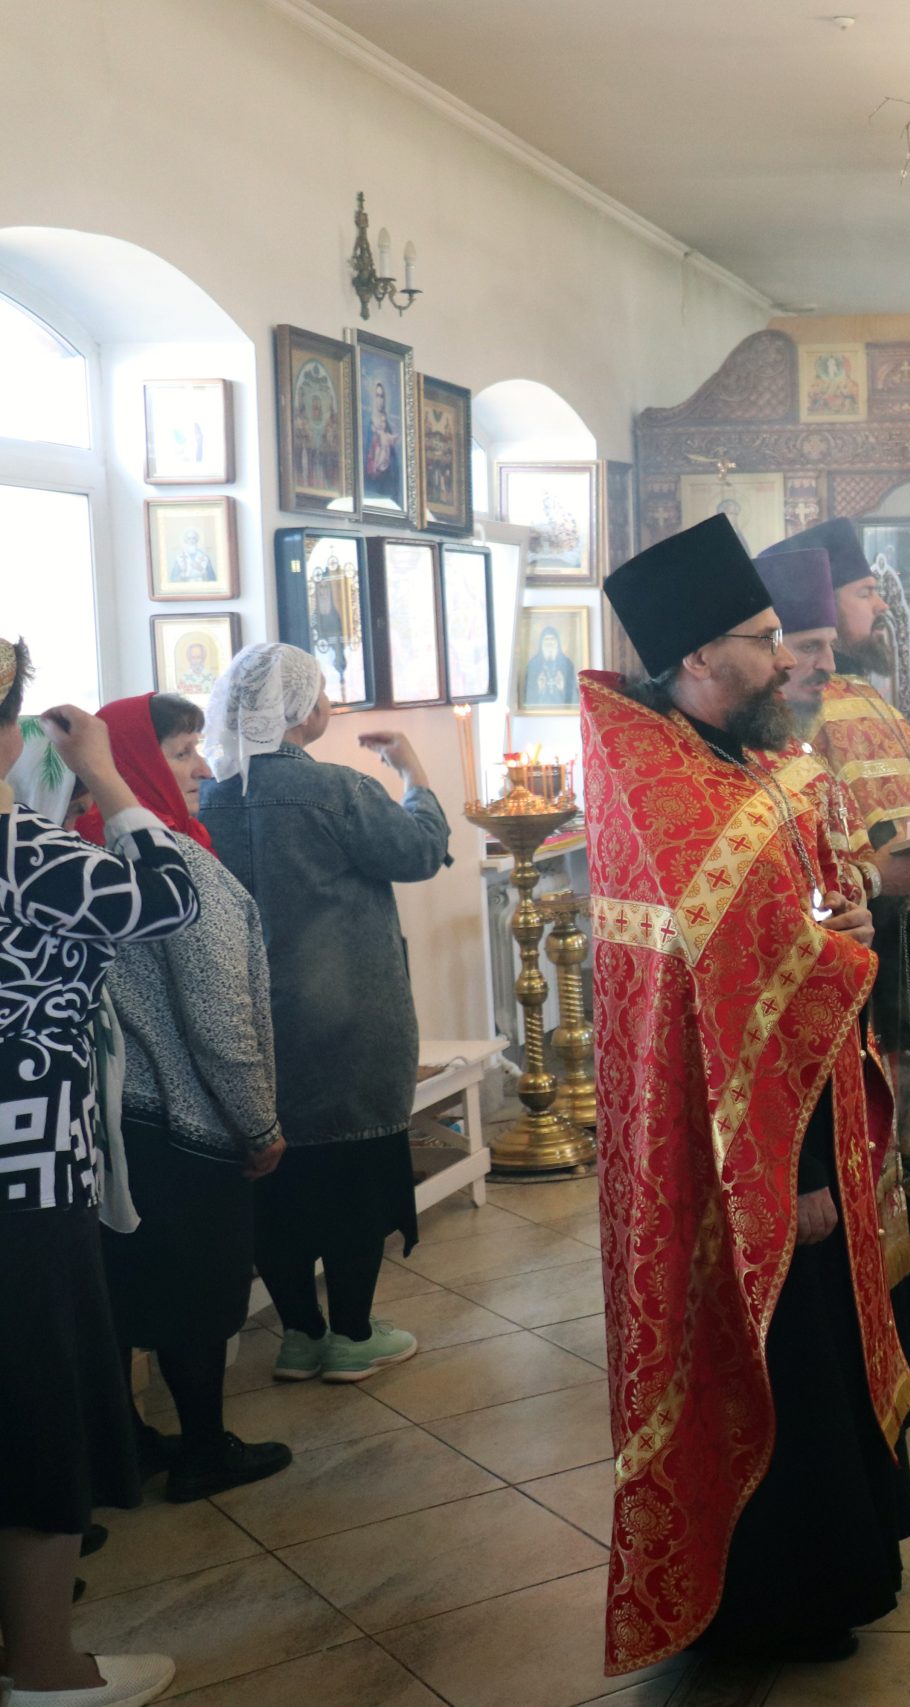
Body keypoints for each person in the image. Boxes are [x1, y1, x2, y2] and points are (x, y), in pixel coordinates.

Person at [585, 519, 910, 1672]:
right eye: (763, 639)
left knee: (819, 1344)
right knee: (771, 1358)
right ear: (695, 657)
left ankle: (847, 1562)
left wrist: (850, 915)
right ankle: (779, 1600)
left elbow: (793, 939)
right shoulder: (665, 792)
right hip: (741, 1154)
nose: (785, 659)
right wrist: (803, 1171)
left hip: (796, 1111)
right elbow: (738, 1006)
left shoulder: (732, 761)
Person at [0, 641, 197, 1707]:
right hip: (27, 1179)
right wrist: (111, 778)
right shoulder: (24, 854)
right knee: (39, 1413)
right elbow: (171, 896)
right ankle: (43, 1667)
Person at [768, 519, 910, 1356]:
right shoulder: (806, 713)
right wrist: (879, 875)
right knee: (886, 1128)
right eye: (865, 594)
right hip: (869, 942)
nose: (878, 610)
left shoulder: (864, 696)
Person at [199, 643, 452, 1385]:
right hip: (347, 1021)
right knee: (353, 1176)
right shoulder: (336, 791)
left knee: (276, 1185)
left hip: (249, 1026)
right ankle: (351, 1335)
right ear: (301, 710)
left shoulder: (210, 800)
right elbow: (420, 850)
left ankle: (299, 1336)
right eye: (321, 693)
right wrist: (412, 772)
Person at [79, 695, 290, 1505]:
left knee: (126, 1290)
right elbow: (217, 1017)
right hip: (183, 1120)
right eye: (180, 751)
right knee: (197, 1295)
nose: (203, 767)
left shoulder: (79, 850)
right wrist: (259, 1123)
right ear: (131, 762)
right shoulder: (175, 864)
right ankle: (204, 1448)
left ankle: (131, 1445)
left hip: (108, 1120)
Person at [522, 626, 575, 708]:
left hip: (562, 711)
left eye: (552, 639)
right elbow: (527, 697)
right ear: (541, 643)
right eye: (546, 639)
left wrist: (562, 687)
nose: (549, 643)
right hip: (538, 712)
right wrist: (539, 688)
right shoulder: (533, 665)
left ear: (557, 642)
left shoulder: (567, 664)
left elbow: (574, 697)